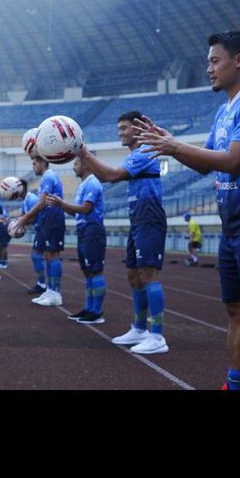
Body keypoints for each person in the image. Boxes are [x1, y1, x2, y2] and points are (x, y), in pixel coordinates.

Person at [134, 30, 240, 389]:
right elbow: (207, 164)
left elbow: (234, 161)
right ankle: (236, 385)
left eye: (214, 60)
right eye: (208, 61)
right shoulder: (225, 111)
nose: (208, 68)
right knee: (237, 310)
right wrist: (171, 144)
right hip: (233, 224)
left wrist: (175, 147)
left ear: (238, 61)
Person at [76, 111, 168, 354]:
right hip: (138, 220)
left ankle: (157, 335)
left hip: (149, 220)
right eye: (119, 128)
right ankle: (139, 328)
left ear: (138, 129)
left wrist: (85, 154)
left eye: (125, 128)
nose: (120, 133)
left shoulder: (145, 152)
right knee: (133, 275)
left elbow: (112, 176)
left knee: (148, 275)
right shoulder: (137, 155)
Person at [46, 157, 106, 324]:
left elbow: (87, 209)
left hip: (92, 229)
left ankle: (97, 311)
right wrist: (62, 206)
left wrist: (61, 204)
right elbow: (78, 212)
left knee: (95, 270)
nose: (73, 168)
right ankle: (89, 308)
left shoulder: (92, 183)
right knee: (87, 271)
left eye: (76, 164)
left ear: (85, 165)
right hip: (84, 229)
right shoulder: (83, 184)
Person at [15, 155, 65, 306]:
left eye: (35, 163)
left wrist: (25, 218)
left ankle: (55, 293)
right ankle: (50, 290)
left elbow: (43, 202)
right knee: (48, 255)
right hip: (48, 217)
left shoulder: (48, 177)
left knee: (53, 254)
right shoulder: (45, 178)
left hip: (53, 216)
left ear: (43, 162)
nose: (33, 166)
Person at [15, 179, 46, 295]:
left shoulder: (32, 199)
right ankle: (42, 284)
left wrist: (20, 222)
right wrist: (12, 223)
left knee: (38, 256)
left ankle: (43, 285)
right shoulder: (25, 202)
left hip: (43, 228)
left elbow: (34, 217)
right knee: (38, 256)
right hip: (39, 229)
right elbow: (24, 218)